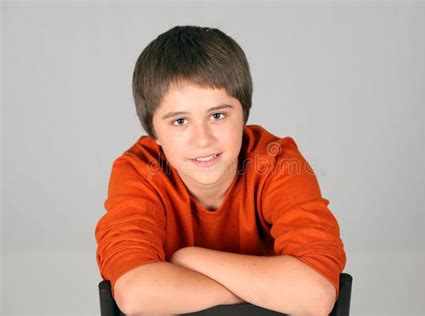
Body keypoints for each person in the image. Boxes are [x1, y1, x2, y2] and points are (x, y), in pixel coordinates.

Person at [95, 25, 346, 316]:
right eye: (179, 121)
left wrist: (190, 258)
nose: (202, 139)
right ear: (155, 133)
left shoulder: (278, 162)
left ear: (244, 116)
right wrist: (261, 292)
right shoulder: (138, 171)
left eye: (217, 115)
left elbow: (315, 294)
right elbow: (136, 294)